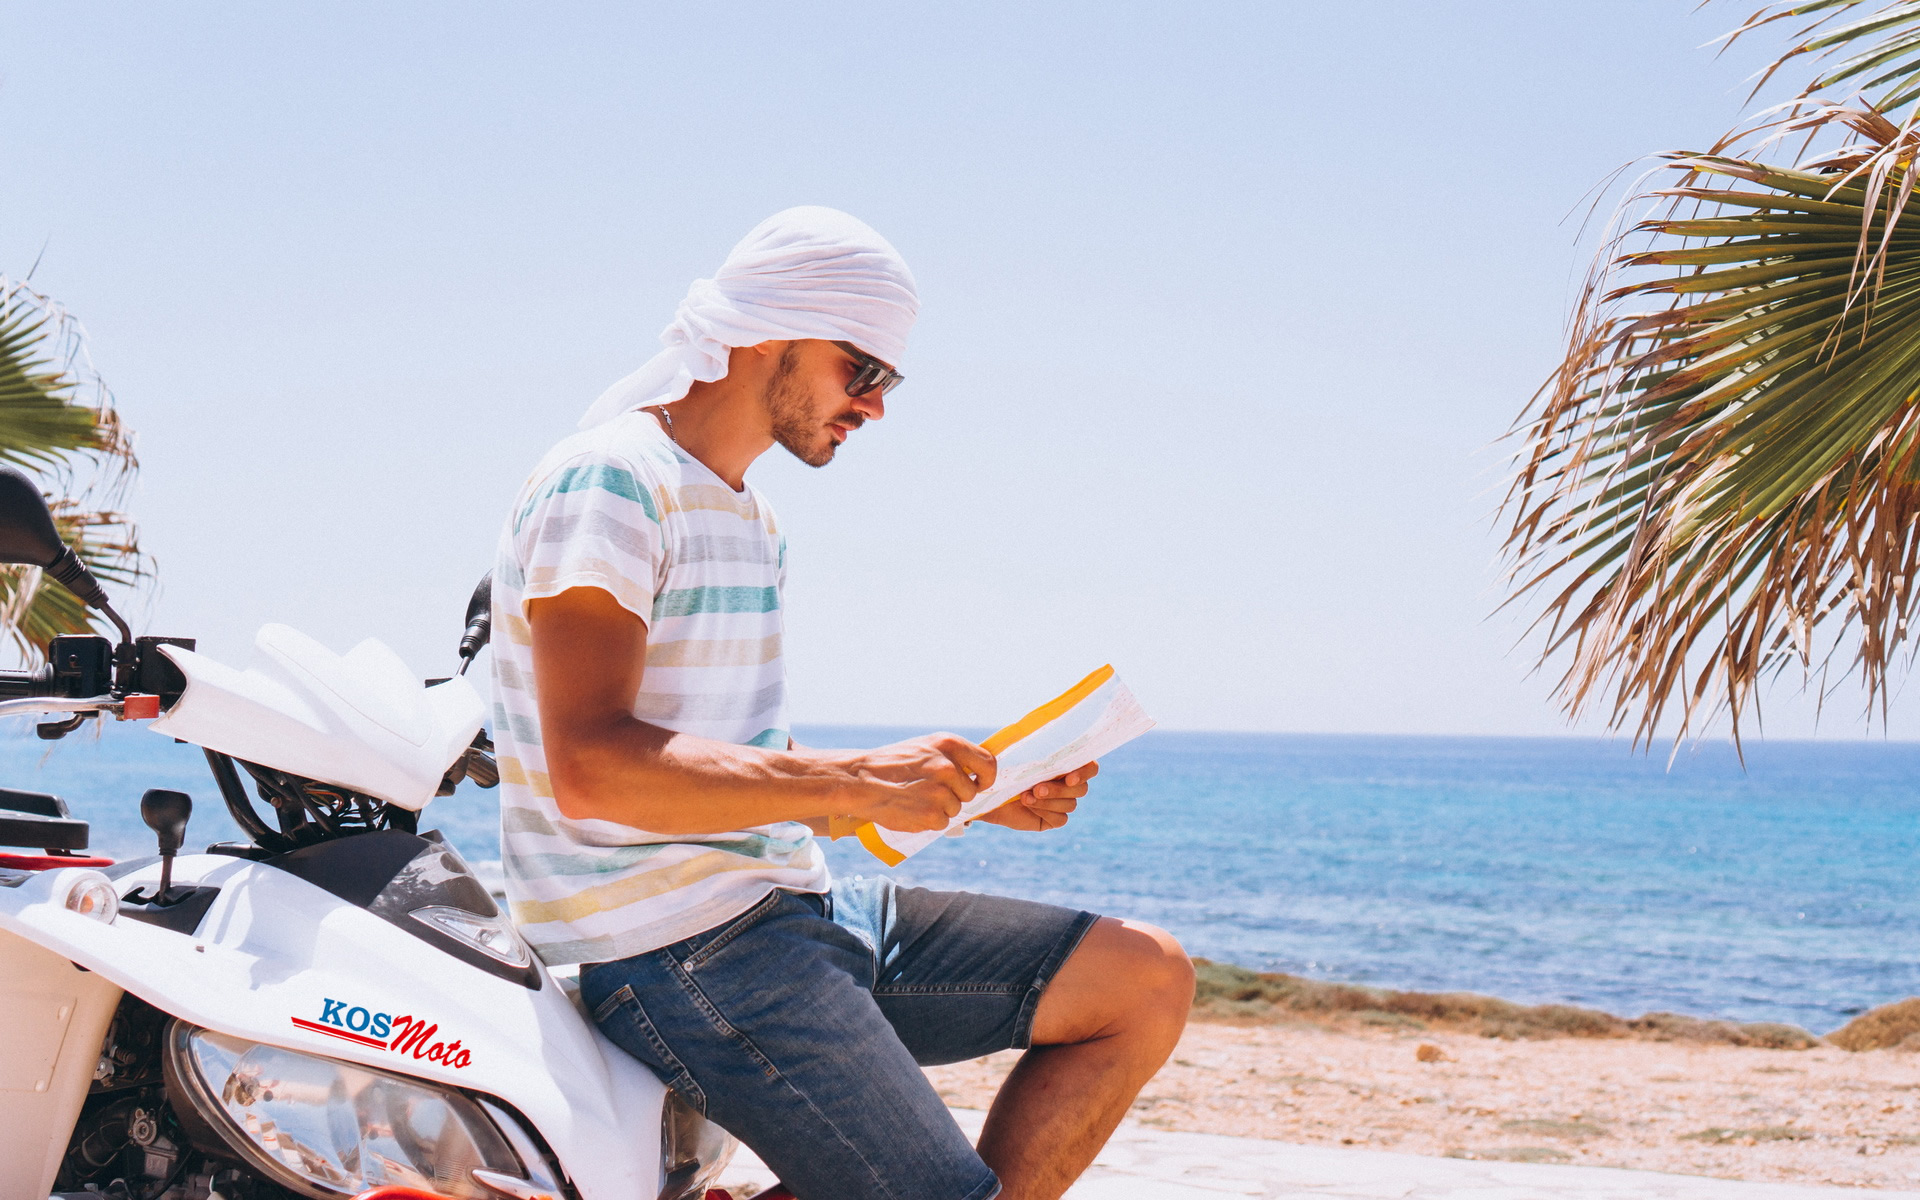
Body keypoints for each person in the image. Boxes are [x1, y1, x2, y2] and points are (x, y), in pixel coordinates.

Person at [491, 206, 1193, 1200]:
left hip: (790, 908)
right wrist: (859, 778)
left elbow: (742, 768)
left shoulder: (752, 516)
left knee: (1144, 979)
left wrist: (955, 795)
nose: (873, 406)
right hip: (673, 951)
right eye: (861, 369)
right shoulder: (610, 481)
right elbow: (593, 768)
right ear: (767, 332)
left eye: (887, 381)